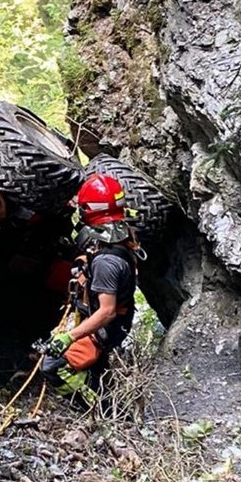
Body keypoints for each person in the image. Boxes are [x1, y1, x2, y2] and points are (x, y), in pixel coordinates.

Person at [41, 172, 138, 401]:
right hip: (118, 319)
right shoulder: (123, 235)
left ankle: (97, 405)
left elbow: (106, 312)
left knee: (52, 367)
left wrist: (69, 337)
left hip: (108, 326)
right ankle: (98, 378)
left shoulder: (107, 262)